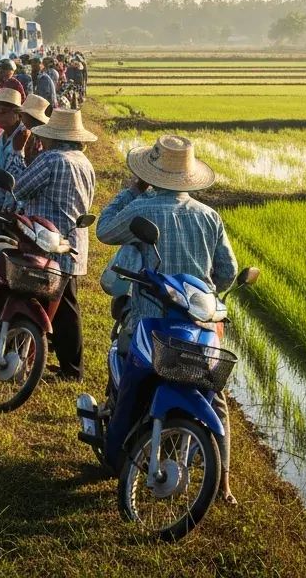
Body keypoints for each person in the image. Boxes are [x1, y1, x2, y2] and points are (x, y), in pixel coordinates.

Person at [95, 135, 239, 504]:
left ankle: (113, 440)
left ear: (149, 174)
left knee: (128, 372)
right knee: (216, 397)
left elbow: (105, 230)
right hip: (199, 326)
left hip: (149, 321)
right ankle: (222, 482)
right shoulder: (209, 216)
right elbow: (227, 273)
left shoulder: (142, 208)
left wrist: (129, 192)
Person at [4, 107, 97, 381]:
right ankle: (69, 366)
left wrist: (18, 155)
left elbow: (19, 187)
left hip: (45, 243)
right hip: (73, 243)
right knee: (67, 305)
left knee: (42, 302)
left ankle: (58, 364)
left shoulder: (51, 159)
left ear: (54, 137)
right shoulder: (84, 162)